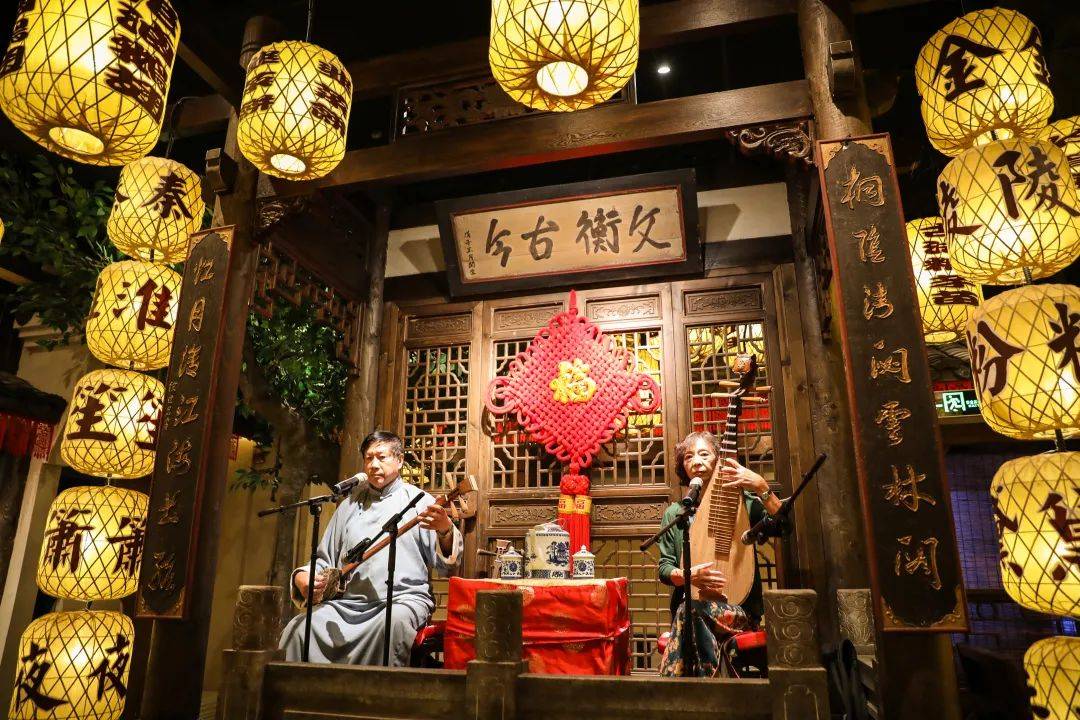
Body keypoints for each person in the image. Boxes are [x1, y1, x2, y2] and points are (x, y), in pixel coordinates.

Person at [278, 430, 463, 665]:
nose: (374, 464)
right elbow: (326, 561)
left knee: (392, 624)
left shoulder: (420, 502)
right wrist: (303, 577)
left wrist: (445, 530)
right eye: (368, 458)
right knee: (299, 629)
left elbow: (449, 567)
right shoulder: (348, 506)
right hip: (348, 604)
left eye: (381, 457)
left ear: (399, 460)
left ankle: (375, 690)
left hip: (402, 600)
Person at [656, 430, 784, 677]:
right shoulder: (676, 514)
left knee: (690, 612)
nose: (696, 462)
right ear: (683, 467)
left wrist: (761, 486)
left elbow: (782, 526)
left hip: (738, 611)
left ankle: (674, 690)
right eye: (689, 457)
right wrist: (688, 575)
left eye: (704, 454)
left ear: (719, 461)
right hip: (691, 609)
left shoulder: (745, 503)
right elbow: (664, 569)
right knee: (690, 610)